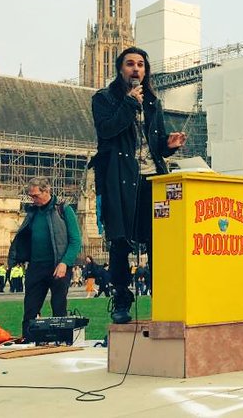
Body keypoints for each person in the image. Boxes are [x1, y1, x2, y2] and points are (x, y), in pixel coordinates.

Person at [90, 46, 186, 323]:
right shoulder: (105, 99)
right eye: (130, 64)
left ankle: (163, 296)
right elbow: (107, 130)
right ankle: (121, 297)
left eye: (141, 65)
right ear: (121, 69)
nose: (136, 69)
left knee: (160, 240)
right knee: (120, 240)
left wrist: (168, 145)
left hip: (151, 178)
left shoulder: (153, 102)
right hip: (119, 177)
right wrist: (130, 102)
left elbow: (154, 143)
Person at [8, 177, 82, 339]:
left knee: (58, 307)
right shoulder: (32, 212)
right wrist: (19, 255)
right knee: (30, 308)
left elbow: (76, 240)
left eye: (36, 196)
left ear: (47, 191)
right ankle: (29, 340)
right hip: (36, 266)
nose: (33, 199)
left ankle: (62, 340)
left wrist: (65, 263)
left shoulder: (64, 209)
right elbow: (24, 236)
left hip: (58, 265)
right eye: (31, 196)